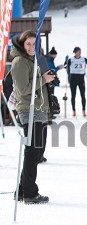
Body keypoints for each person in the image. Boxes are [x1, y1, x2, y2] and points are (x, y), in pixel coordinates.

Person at [10, 30, 55, 204]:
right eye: (28, 44)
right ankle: (29, 192)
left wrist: (47, 79)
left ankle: (22, 190)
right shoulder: (20, 61)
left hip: (39, 110)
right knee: (33, 151)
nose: (31, 47)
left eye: (33, 44)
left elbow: (36, 82)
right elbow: (23, 89)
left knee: (37, 152)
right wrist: (42, 79)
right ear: (22, 45)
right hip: (29, 111)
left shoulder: (32, 60)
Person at [66, 47, 87, 117]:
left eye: (80, 51)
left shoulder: (83, 59)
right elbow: (66, 66)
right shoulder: (71, 59)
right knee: (73, 95)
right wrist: (66, 60)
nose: (80, 53)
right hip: (73, 78)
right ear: (75, 52)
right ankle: (74, 110)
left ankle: (84, 110)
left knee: (83, 95)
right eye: (78, 51)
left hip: (81, 78)